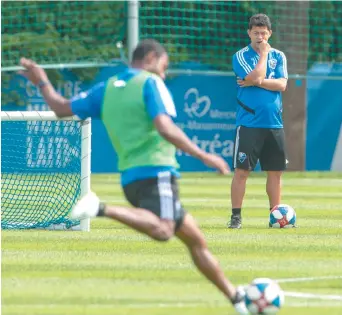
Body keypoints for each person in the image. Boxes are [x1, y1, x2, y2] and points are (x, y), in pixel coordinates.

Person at [19, 39, 248, 314]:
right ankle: (100, 207)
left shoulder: (106, 88)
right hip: (157, 172)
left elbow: (61, 108)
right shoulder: (150, 83)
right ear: (151, 57)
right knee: (164, 230)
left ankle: (236, 298)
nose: (163, 74)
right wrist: (204, 156)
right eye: (163, 67)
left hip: (130, 178)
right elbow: (164, 127)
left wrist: (41, 80)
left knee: (196, 241)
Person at [229, 14, 288, 229]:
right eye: (256, 33)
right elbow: (254, 76)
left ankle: (276, 216)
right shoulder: (241, 55)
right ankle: (236, 216)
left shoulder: (280, 56)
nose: (260, 37)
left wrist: (257, 81)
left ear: (270, 33)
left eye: (264, 33)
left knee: (275, 172)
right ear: (249, 33)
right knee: (242, 172)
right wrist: (263, 56)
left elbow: (282, 85)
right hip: (249, 124)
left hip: (274, 123)